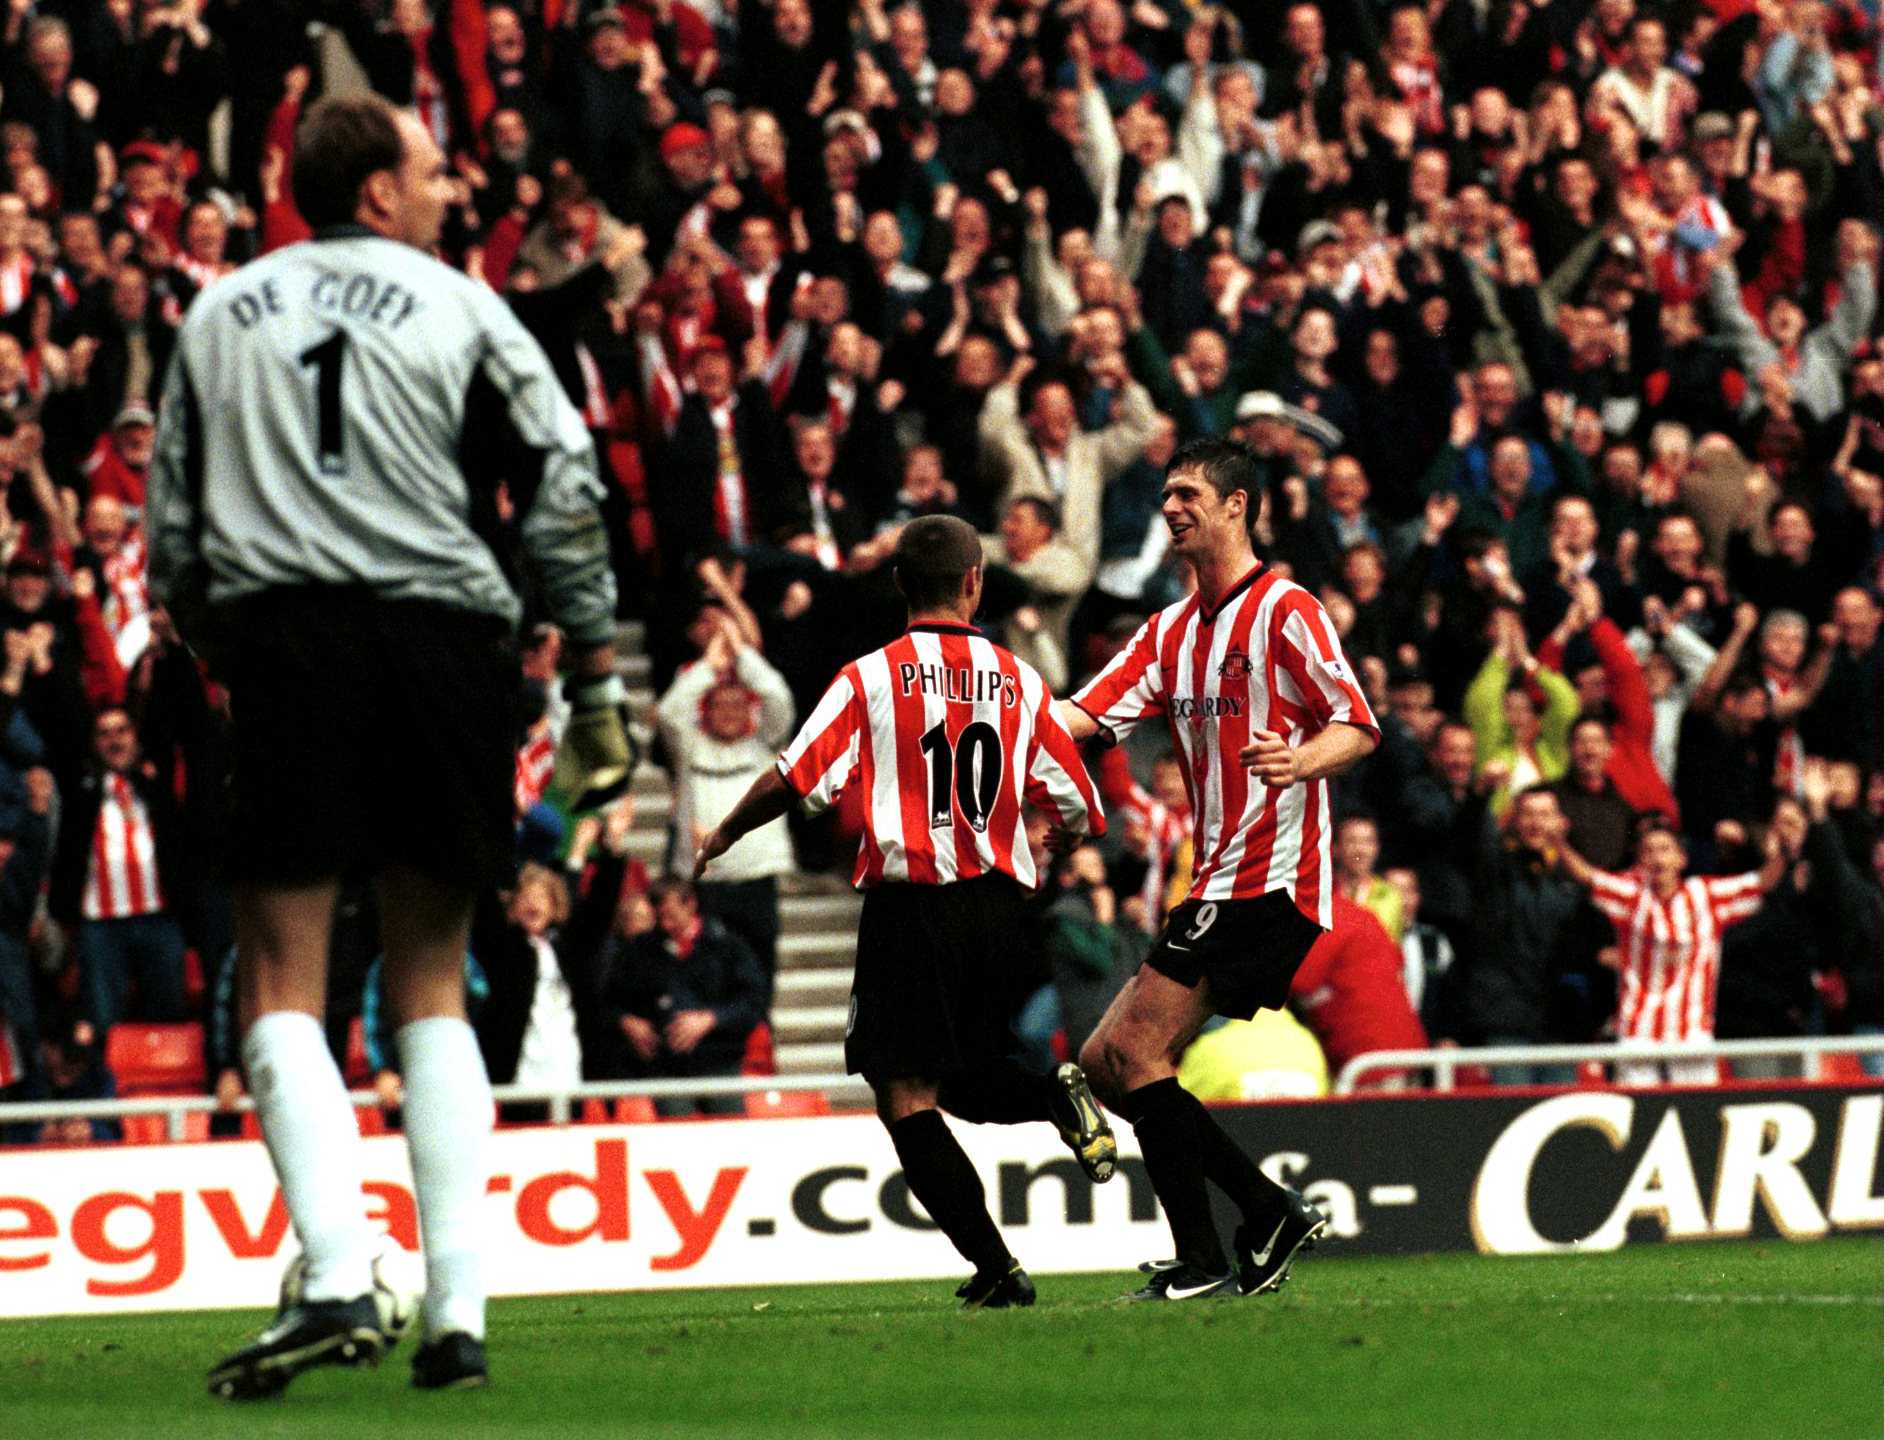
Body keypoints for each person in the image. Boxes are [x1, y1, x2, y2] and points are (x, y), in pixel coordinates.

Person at [146, 95, 626, 1399]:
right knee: (431, 978)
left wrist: (224, 648)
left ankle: (338, 1272)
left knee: (281, 980)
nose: (447, 188)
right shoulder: (465, 306)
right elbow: (566, 475)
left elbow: (172, 534)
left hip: (290, 642)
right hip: (446, 648)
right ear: (375, 193)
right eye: (429, 171)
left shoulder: (216, 315)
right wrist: (591, 663)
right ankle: (457, 1317)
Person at [694, 514, 1113, 1309]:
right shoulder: (1020, 678)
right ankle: (1051, 1100)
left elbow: (794, 776)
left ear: (897, 584)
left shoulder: (871, 677)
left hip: (913, 907)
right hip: (998, 909)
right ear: (974, 583)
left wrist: (725, 831)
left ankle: (997, 1267)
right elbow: (1082, 805)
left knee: (903, 1095)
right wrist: (1051, 836)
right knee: (966, 1081)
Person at [1059, 437, 1380, 1301]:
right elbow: (1086, 714)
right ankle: (1266, 1212)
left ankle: (1204, 1256)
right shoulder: (1170, 630)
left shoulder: (1286, 610)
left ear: (1238, 505)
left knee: (1134, 1048)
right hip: (1215, 878)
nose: (1170, 508)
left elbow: (1357, 723)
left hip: (1272, 875)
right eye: (1166, 495)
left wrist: (1299, 761)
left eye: (1188, 493)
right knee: (1104, 1061)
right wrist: (1000, 717)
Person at [1558, 815, 1786, 1086]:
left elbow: (1762, 882)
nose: (1658, 859)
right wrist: (1558, 842)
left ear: (1682, 859)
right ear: (1640, 861)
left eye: (1665, 849)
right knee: (1639, 1105)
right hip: (1638, 1030)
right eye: (1649, 851)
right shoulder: (1631, 895)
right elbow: (1587, 876)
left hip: (1692, 1030)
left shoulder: (1705, 895)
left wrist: (1783, 851)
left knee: (1698, 1106)